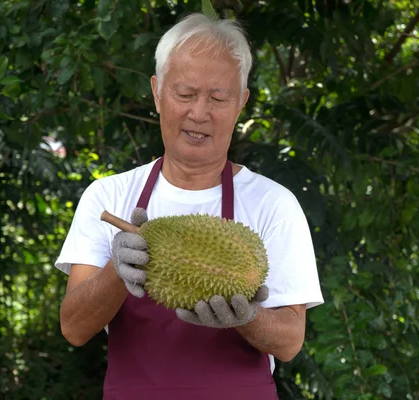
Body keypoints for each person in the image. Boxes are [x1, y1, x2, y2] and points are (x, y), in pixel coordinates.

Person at [55, 12, 324, 400]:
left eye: (218, 98)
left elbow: (289, 342)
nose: (199, 113)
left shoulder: (274, 204)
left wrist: (248, 317)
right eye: (185, 94)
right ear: (157, 93)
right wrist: (118, 270)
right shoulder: (108, 196)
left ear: (241, 103)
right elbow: (74, 328)